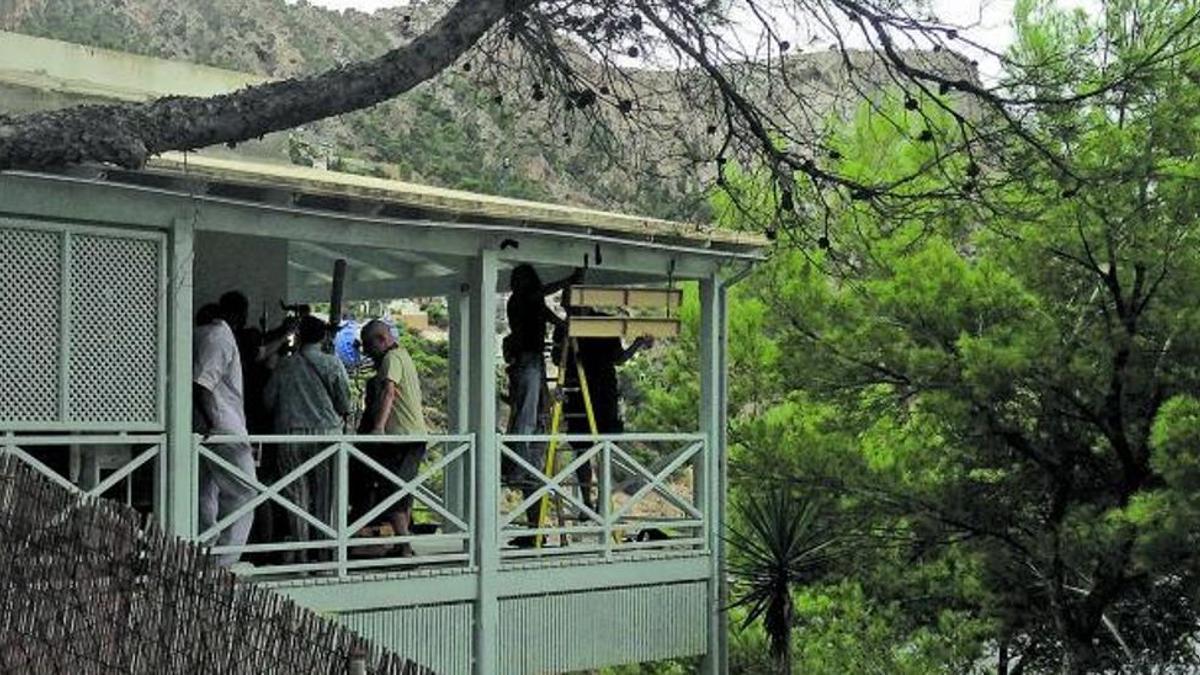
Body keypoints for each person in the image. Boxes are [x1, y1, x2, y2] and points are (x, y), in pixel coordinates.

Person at [263, 315, 351, 563]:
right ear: (323, 336)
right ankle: (324, 553)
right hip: (327, 437)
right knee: (325, 496)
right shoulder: (332, 364)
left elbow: (268, 400)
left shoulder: (284, 365)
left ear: (299, 336)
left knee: (297, 497)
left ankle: (301, 553)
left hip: (291, 435)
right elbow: (344, 402)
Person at [552, 305, 653, 510]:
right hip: (579, 392)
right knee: (582, 449)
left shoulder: (605, 324)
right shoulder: (567, 325)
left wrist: (637, 344)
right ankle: (588, 501)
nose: (569, 309)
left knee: (602, 448)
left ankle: (600, 501)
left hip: (600, 393)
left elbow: (618, 358)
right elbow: (557, 357)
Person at [503, 265, 582, 519]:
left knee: (533, 414)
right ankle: (519, 464)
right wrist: (569, 280)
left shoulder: (526, 301)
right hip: (527, 358)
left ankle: (522, 463)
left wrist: (565, 323)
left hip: (531, 358)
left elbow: (546, 312)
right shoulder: (521, 299)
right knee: (527, 416)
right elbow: (541, 298)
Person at [355, 319, 428, 557]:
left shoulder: (391, 359)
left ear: (382, 340)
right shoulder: (404, 356)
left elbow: (389, 391)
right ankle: (401, 544)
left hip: (401, 437)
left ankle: (405, 546)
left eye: (368, 345)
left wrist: (377, 428)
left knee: (392, 491)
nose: (366, 351)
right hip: (413, 436)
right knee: (402, 491)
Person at [193, 299, 256, 567]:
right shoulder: (219, 335)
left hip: (200, 424)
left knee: (205, 491)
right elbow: (203, 384)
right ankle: (224, 560)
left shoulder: (196, 334)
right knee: (245, 492)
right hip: (221, 424)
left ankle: (202, 550)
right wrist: (213, 423)